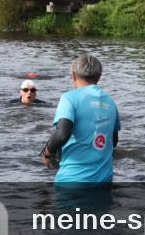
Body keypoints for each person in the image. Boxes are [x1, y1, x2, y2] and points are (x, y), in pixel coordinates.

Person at [40, 54, 120, 184]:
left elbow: (62, 134)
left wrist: (47, 153)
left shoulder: (69, 98)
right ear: (99, 76)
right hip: (104, 180)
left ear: (73, 75)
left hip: (73, 180)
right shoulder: (110, 102)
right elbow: (114, 141)